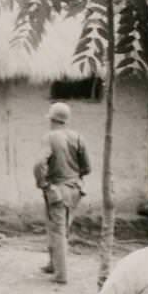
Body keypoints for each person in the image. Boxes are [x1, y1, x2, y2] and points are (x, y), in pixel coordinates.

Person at [33, 101, 90, 284]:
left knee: (57, 231)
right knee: (60, 228)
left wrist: (44, 184)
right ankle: (53, 264)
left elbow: (39, 164)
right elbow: (87, 167)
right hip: (75, 190)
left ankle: (61, 275)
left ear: (52, 119)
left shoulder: (49, 137)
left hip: (57, 190)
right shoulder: (78, 137)